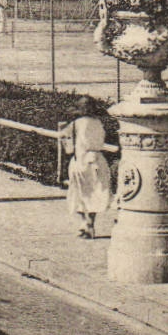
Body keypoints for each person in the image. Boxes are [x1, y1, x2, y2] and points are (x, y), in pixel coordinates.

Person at [60, 96, 113, 238]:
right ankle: (90, 224)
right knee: (94, 193)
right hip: (97, 160)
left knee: (79, 192)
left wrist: (69, 148)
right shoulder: (98, 123)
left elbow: (64, 138)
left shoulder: (75, 124)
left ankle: (85, 223)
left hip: (81, 160)